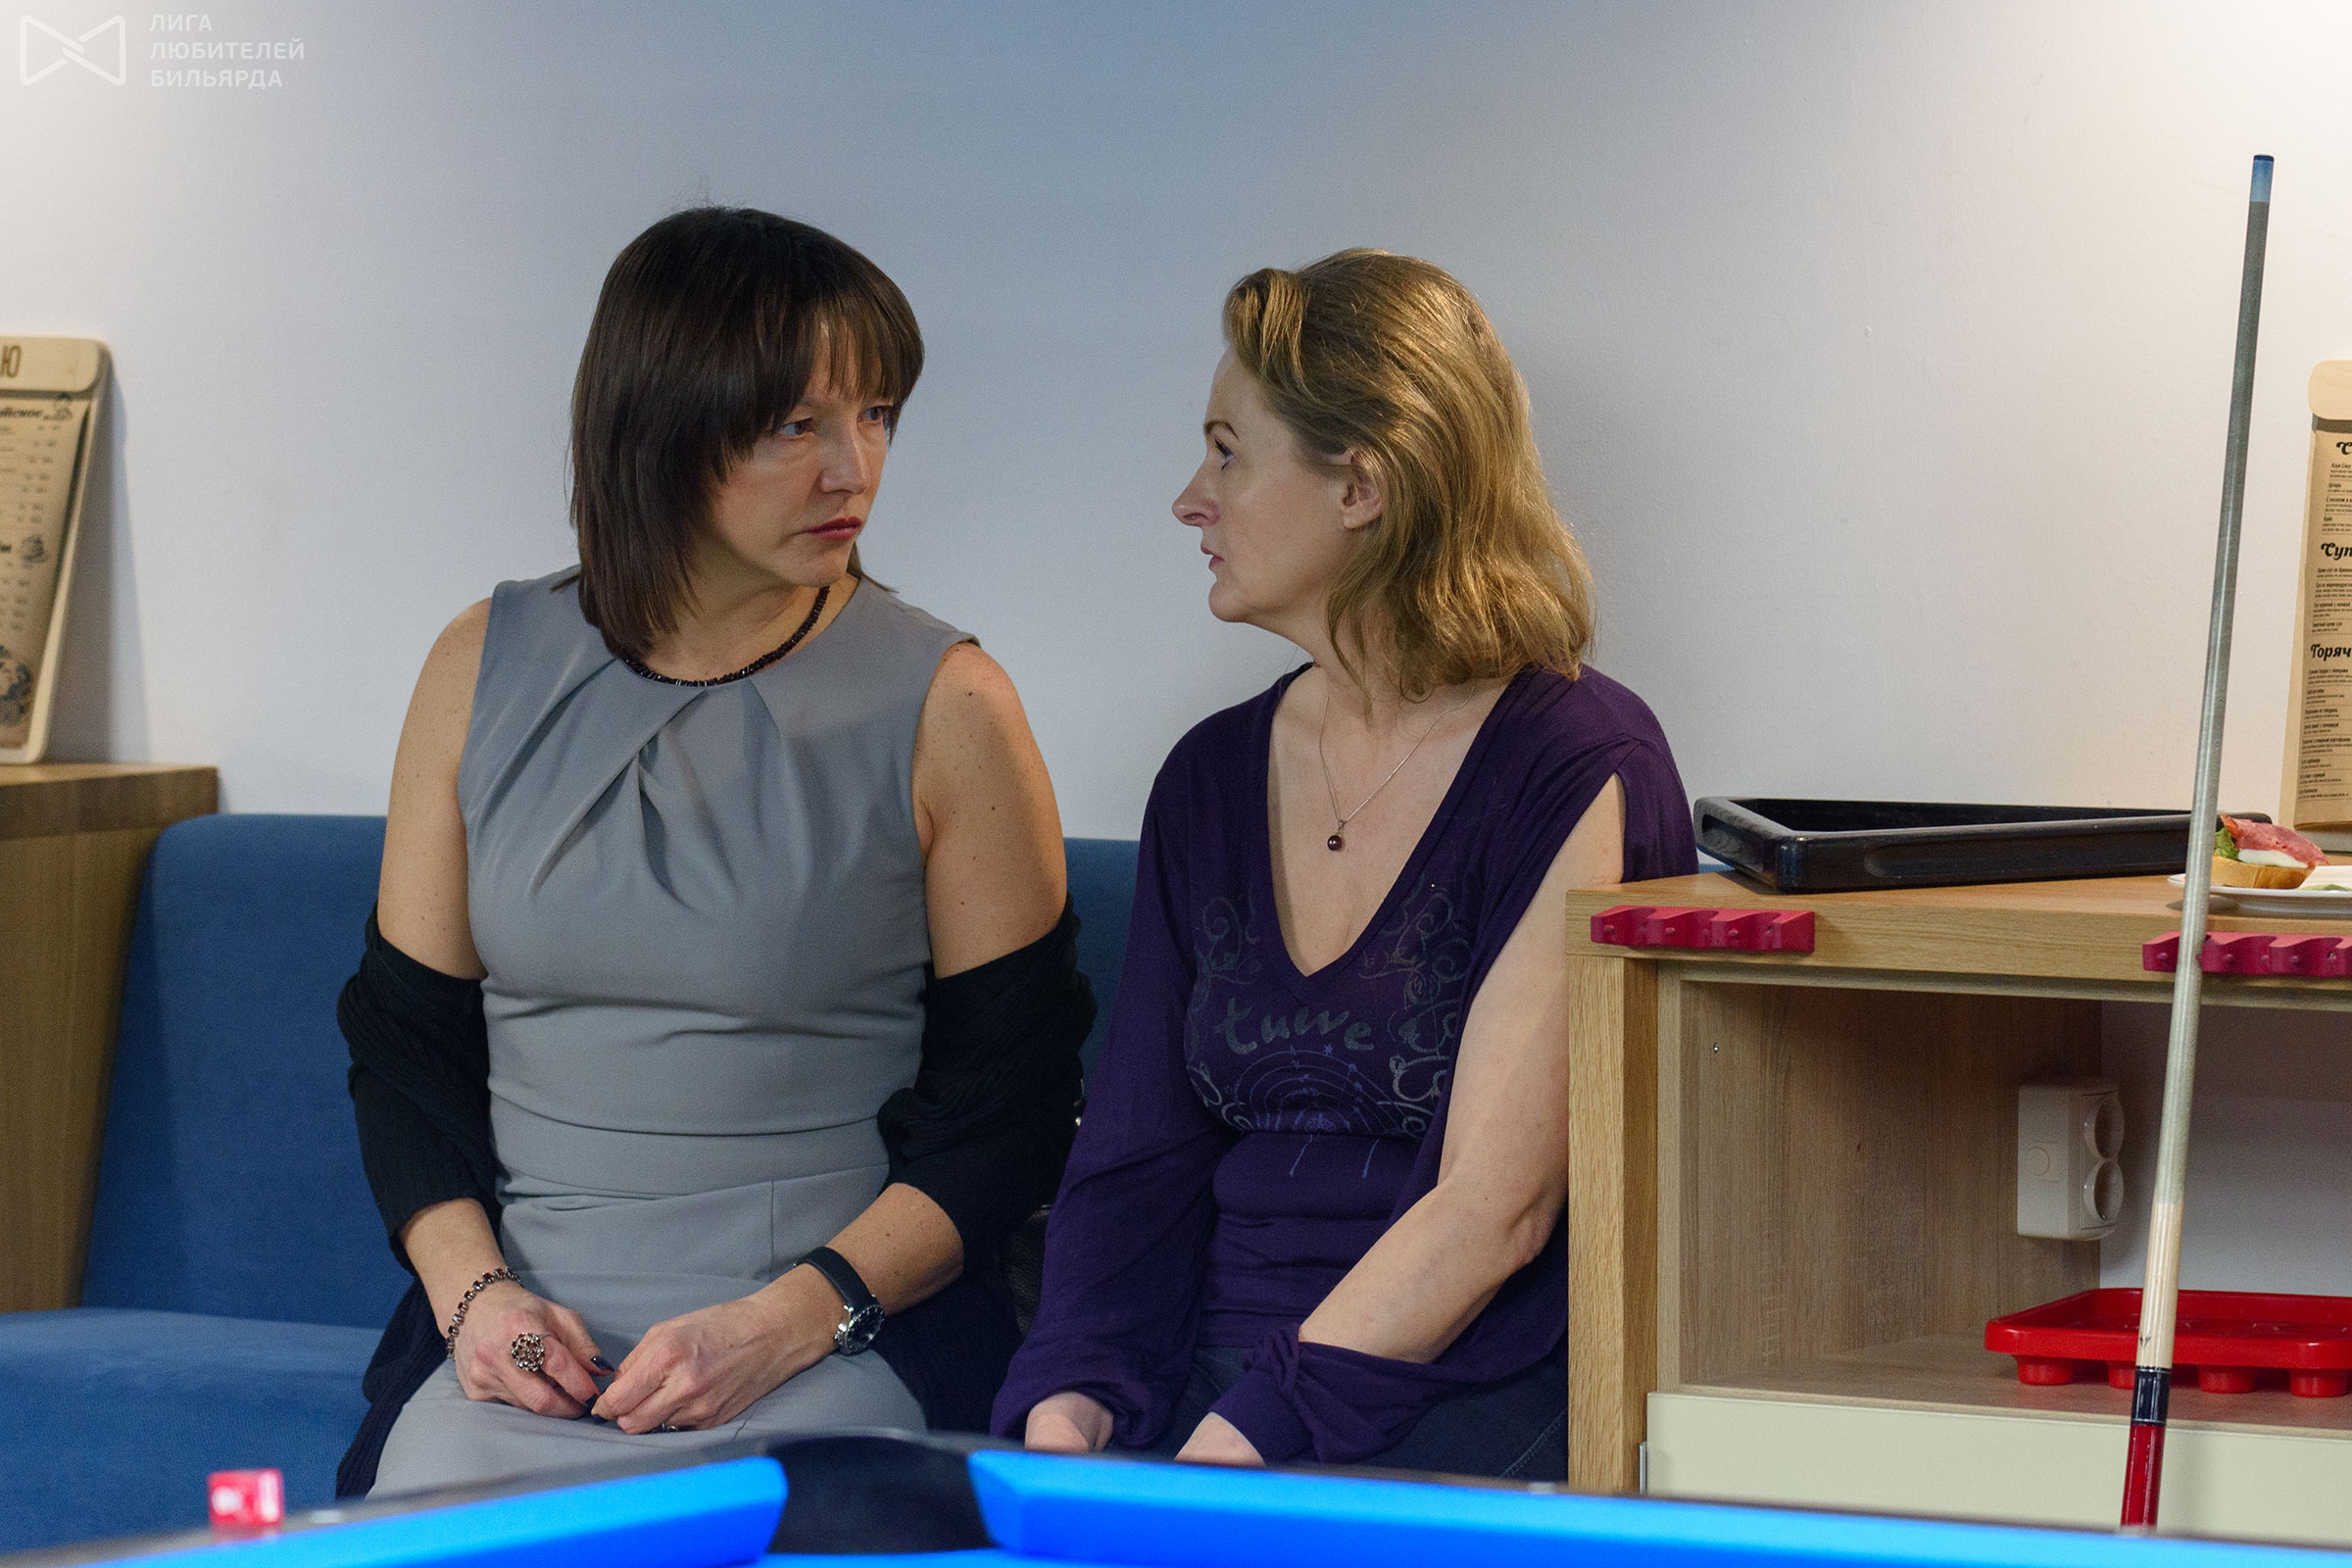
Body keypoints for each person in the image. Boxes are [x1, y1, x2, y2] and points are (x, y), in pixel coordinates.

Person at [339, 208, 1089, 1496]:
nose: (854, 470)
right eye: (797, 425)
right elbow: (406, 1053)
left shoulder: (953, 704)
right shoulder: (477, 665)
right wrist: (476, 1302)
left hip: (831, 1339)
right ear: (663, 427)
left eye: (877, 415)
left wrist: (789, 1320)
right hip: (521, 1350)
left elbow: (1013, 1115)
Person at [991, 250, 1696, 1480]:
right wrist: (1071, 1397)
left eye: (1227, 454)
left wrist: (1244, 1444)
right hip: (1210, 1366)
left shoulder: (1580, 760)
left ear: (1362, 484)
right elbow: (1135, 1162)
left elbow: (1495, 1211)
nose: (1190, 501)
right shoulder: (1210, 774)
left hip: (1456, 1373)